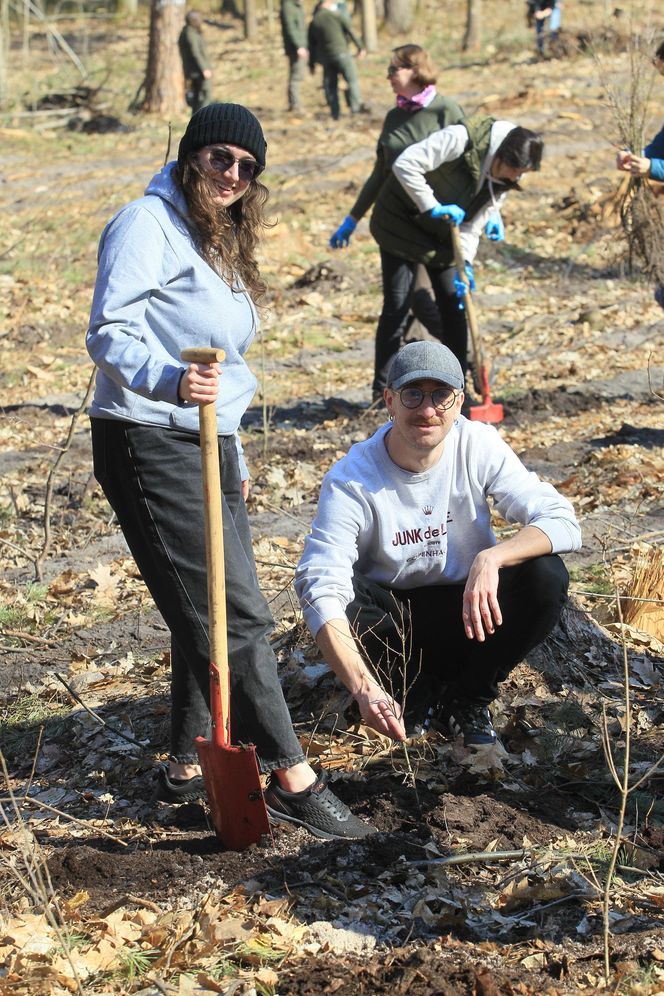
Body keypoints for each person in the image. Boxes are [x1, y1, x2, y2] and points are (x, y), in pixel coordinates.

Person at [86, 102, 372, 841]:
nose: (233, 177)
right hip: (149, 437)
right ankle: (290, 775)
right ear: (190, 156)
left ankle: (185, 763)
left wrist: (233, 452)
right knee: (235, 611)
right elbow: (110, 331)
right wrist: (169, 380)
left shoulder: (215, 240)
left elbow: (228, 364)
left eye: (248, 168)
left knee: (205, 604)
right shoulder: (144, 225)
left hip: (210, 439)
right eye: (220, 159)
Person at [295, 340, 580, 747]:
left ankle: (468, 699)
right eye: (413, 394)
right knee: (345, 594)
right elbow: (319, 582)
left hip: (473, 615)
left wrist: (491, 557)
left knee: (545, 573)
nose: (427, 410)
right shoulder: (352, 477)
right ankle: (412, 694)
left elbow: (562, 522)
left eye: (441, 395)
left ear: (460, 401)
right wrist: (362, 688)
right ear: (389, 400)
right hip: (396, 629)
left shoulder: (478, 444)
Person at [366, 117, 543, 399]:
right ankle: (381, 392)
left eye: (522, 173)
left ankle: (455, 390)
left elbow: (472, 226)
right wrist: (432, 206)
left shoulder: (504, 181)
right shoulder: (461, 139)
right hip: (402, 224)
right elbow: (405, 164)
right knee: (398, 304)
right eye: (515, 170)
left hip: (444, 237)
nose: (516, 178)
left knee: (454, 304)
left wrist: (467, 266)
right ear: (502, 155)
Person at [329, 45, 464, 344]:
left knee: (438, 304)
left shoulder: (446, 111)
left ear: (415, 70)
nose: (388, 76)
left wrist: (486, 214)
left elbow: (467, 168)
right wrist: (352, 219)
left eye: (394, 70)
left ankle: (464, 371)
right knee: (401, 305)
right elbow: (380, 173)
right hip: (397, 224)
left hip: (434, 225)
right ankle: (392, 386)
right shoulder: (393, 117)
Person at [308, 0, 366, 120]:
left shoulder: (314, 21)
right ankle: (355, 109)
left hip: (326, 58)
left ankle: (335, 113)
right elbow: (351, 31)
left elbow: (311, 45)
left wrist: (311, 64)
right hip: (342, 54)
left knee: (331, 86)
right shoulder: (336, 15)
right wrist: (361, 47)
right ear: (328, 3)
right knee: (352, 81)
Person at [178, 11, 213, 113]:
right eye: (198, 19)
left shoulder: (190, 32)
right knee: (205, 95)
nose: (200, 21)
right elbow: (195, 53)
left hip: (195, 71)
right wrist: (204, 69)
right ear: (193, 21)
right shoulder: (189, 34)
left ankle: (198, 119)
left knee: (198, 97)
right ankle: (203, 119)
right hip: (198, 72)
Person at [280, 0, 308, 113]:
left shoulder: (296, 6)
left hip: (300, 47)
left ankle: (295, 104)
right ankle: (295, 105)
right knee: (296, 77)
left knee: (298, 76)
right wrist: (299, 46)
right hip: (296, 49)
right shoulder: (288, 6)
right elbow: (291, 27)